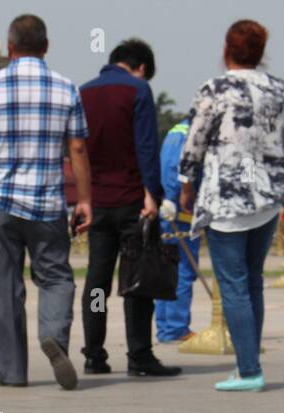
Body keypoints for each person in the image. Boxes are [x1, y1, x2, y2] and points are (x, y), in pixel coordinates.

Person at [179, 19, 284, 392]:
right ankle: (248, 364)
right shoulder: (278, 88)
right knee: (253, 282)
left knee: (234, 285)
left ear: (227, 49)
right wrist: (280, 165)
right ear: (261, 52)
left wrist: (187, 182)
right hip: (267, 197)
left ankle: (250, 370)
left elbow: (195, 140)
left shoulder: (214, 89)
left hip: (227, 196)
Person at [0, 13, 91, 390]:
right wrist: (85, 200)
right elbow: (78, 147)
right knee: (56, 277)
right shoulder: (66, 88)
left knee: (4, 287)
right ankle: (53, 335)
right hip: (48, 204)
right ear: (46, 46)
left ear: (10, 47)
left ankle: (11, 371)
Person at [79, 38, 180, 378]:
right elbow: (146, 145)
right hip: (132, 200)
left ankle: (94, 353)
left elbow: (77, 148)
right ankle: (139, 356)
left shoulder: (84, 92)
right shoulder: (137, 90)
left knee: (97, 282)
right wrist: (152, 192)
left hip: (96, 200)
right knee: (138, 280)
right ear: (140, 68)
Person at [154, 111, 200, 344]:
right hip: (180, 212)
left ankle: (166, 327)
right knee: (183, 270)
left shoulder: (176, 130)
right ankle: (175, 327)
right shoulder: (189, 134)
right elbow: (175, 169)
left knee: (166, 271)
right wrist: (172, 198)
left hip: (168, 208)